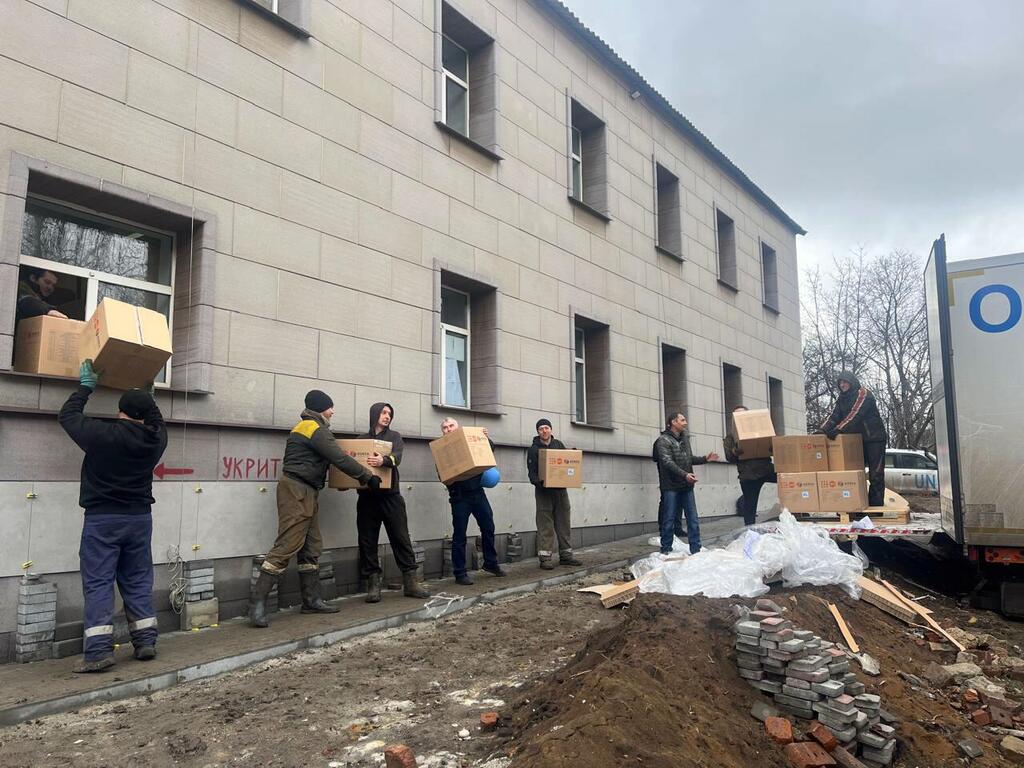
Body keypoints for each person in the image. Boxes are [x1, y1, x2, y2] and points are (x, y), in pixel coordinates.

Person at [57, 360, 167, 672]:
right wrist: (148, 396)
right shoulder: (155, 440)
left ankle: (98, 653)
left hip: (102, 520)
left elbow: (67, 416)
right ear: (146, 414)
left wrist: (86, 387)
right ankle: (145, 641)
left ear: (120, 409)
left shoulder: (99, 434)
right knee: (137, 579)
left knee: (99, 583)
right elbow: (156, 421)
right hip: (139, 519)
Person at [249, 390, 380, 628]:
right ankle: (257, 604)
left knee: (311, 547)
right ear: (321, 408)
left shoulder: (307, 427)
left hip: (306, 491)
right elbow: (338, 458)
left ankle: (311, 600)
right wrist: (367, 476)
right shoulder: (315, 429)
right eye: (330, 407)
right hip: (297, 492)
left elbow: (331, 459)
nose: (333, 411)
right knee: (287, 545)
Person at [356, 402, 430, 602]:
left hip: (391, 497)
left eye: (389, 413)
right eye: (383, 412)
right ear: (374, 415)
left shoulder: (394, 437)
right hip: (367, 499)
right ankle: (373, 585)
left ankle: (411, 583)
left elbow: (398, 457)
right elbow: (351, 464)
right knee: (367, 541)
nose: (387, 416)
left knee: (401, 538)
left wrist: (384, 461)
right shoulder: (361, 441)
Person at [439, 418, 506, 585]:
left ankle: (490, 563)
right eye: (445, 428)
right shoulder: (442, 451)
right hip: (459, 496)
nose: (448, 429)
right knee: (459, 534)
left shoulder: (469, 440)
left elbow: (489, 449)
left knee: (488, 526)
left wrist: (484, 437)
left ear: (458, 427)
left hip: (478, 492)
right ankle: (460, 573)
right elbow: (443, 477)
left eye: (451, 426)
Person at [819, 370, 888, 507]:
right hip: (856, 441)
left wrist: (839, 429)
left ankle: (876, 507)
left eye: (845, 382)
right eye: (840, 383)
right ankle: (857, 504)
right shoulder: (842, 399)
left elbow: (856, 414)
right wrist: (822, 431)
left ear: (852, 381)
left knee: (876, 474)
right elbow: (834, 416)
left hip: (874, 438)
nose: (842, 385)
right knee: (855, 474)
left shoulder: (863, 394)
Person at [653, 412, 719, 555]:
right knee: (669, 518)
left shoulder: (685, 439)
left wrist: (705, 459)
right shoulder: (663, 441)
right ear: (673, 422)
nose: (685, 422)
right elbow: (667, 462)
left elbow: (688, 459)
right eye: (682, 420)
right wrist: (685, 475)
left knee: (693, 518)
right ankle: (665, 550)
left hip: (686, 485)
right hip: (671, 486)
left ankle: (696, 549)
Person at [526, 418, 581, 570]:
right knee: (545, 525)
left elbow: (566, 464)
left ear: (551, 430)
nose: (544, 431)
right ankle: (545, 558)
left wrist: (573, 457)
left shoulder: (558, 445)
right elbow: (531, 473)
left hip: (561, 492)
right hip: (543, 492)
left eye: (546, 428)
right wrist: (541, 483)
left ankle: (566, 556)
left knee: (564, 523)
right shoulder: (533, 449)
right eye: (541, 429)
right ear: (538, 432)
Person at [723, 405, 777, 526]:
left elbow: (774, 448)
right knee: (750, 507)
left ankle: (798, 511)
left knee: (789, 479)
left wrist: (772, 446)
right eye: (737, 415)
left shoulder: (761, 431)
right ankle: (749, 532)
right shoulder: (730, 437)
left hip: (766, 469)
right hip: (748, 475)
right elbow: (729, 458)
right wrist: (736, 451)